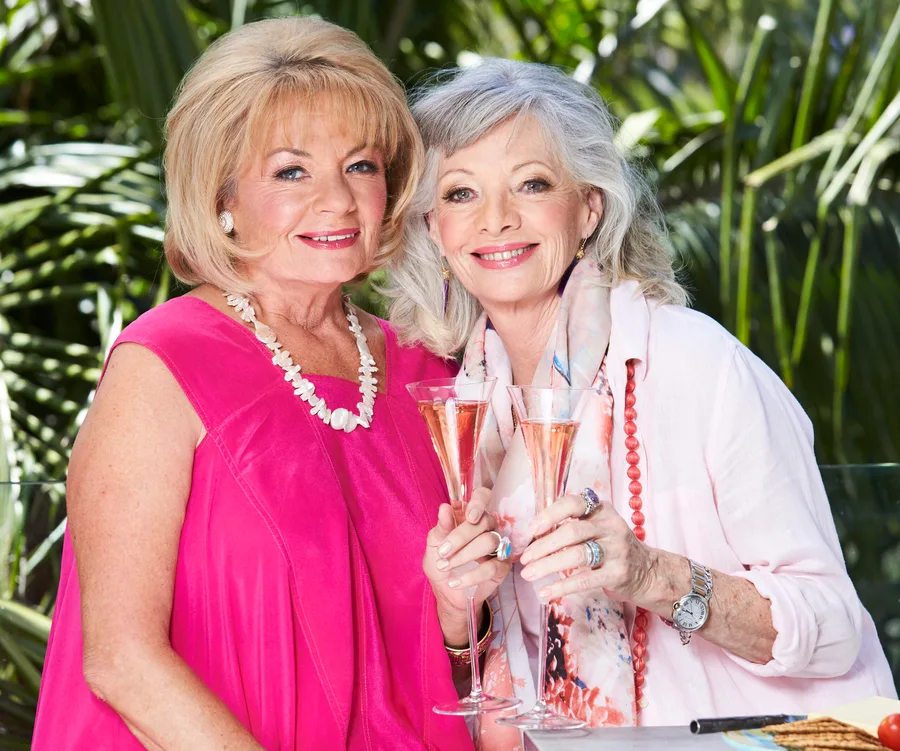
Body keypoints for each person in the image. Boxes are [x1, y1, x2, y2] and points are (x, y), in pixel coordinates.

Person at [388, 58, 897, 748]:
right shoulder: (468, 399)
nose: (496, 219)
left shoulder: (697, 364)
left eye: (532, 184)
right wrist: (460, 615)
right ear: (433, 227)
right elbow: (493, 670)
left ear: (589, 207)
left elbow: (833, 626)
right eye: (460, 193)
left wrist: (650, 573)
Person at [32, 17, 485, 749]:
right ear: (224, 195)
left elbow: (448, 664)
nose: (338, 200)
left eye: (361, 165)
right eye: (291, 172)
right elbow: (121, 660)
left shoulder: (427, 371)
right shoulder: (163, 362)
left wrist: (461, 627)